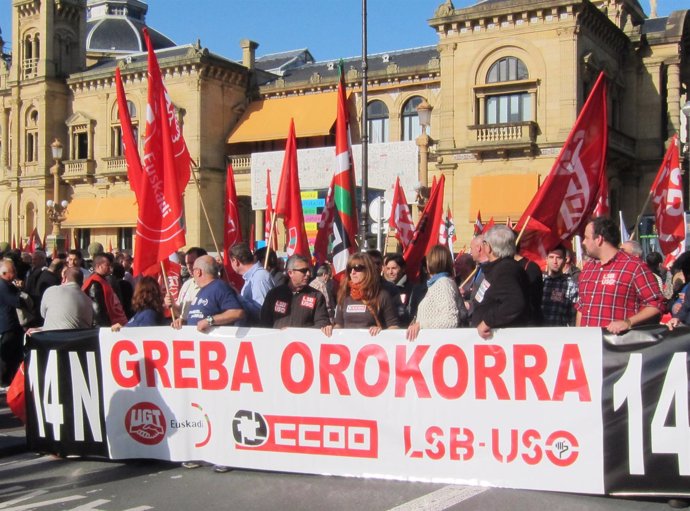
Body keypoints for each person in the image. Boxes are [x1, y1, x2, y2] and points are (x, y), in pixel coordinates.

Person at [576, 216, 664, 333]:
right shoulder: (588, 268)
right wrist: (577, 336)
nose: (583, 242)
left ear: (599, 239)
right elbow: (581, 307)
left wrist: (628, 322)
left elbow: (656, 304)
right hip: (590, 346)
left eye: (586, 238)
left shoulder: (634, 267)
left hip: (618, 346)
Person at [470, 226, 530, 339]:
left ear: (489, 248)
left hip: (502, 339)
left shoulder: (506, 270)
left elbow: (514, 303)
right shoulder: (496, 268)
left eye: (484, 243)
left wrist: (487, 321)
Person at [406, 245, 467, 341]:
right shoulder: (439, 283)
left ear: (432, 262)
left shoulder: (443, 283)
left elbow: (450, 320)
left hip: (439, 344)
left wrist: (421, 325)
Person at [260, 255, 332, 335]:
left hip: (304, 345)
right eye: (303, 271)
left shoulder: (316, 296)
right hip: (278, 344)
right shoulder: (274, 294)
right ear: (290, 273)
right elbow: (263, 323)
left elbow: (322, 324)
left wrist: (295, 332)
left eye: (309, 270)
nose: (308, 274)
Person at [173, 255, 245, 333]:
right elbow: (198, 318)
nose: (192, 273)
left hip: (214, 342)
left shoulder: (219, 287)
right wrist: (184, 322)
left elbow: (237, 312)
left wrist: (210, 320)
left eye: (193, 270)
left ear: (198, 272)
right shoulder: (202, 290)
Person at [334, 253, 400, 335]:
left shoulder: (382, 295)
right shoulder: (345, 294)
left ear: (368, 270)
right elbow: (339, 325)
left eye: (357, 268)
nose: (353, 272)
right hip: (349, 345)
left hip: (373, 346)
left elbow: (394, 327)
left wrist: (381, 331)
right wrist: (330, 330)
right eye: (349, 269)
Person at [229, 242, 274, 325]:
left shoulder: (259, 277)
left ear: (235, 261)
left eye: (231, 262)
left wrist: (237, 297)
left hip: (257, 333)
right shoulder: (251, 277)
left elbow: (261, 312)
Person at [82, 253, 128, 327]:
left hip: (114, 323)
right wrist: (104, 327)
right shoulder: (95, 283)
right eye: (107, 265)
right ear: (99, 266)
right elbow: (97, 309)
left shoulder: (102, 280)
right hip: (104, 326)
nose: (110, 268)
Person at [0, 259, 26, 385]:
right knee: (8, 357)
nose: (15, 274)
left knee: (13, 356)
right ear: (4, 274)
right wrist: (20, 291)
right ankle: (5, 382)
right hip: (7, 326)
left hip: (11, 326)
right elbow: (16, 302)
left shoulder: (7, 285)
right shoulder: (3, 285)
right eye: (13, 271)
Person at [165, 247, 207, 322]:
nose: (188, 267)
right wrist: (172, 305)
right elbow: (180, 313)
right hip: (185, 331)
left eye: (192, 263)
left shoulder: (212, 285)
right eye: (187, 263)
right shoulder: (186, 285)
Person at [541, 245, 578, 326]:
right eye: (551, 257)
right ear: (546, 259)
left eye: (559, 258)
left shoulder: (570, 285)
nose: (555, 261)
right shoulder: (540, 280)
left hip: (559, 333)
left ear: (565, 260)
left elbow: (573, 317)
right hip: (538, 331)